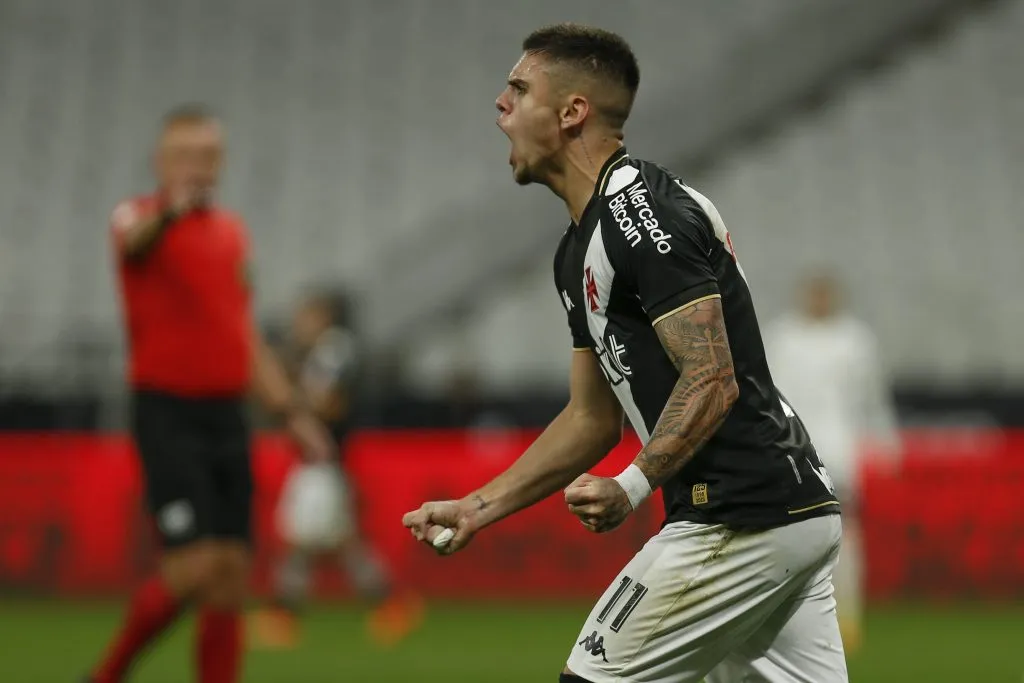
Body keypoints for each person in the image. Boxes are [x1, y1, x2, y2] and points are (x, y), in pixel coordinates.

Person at [403, 24, 848, 683]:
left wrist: (631, 484)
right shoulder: (577, 248)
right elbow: (591, 418)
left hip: (738, 517)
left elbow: (713, 376)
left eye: (520, 89)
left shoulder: (644, 217)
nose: (502, 104)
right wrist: (477, 507)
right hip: (784, 512)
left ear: (572, 111)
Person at [88, 104, 332, 683]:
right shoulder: (137, 217)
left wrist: (291, 413)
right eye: (184, 155)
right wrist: (171, 208)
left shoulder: (229, 233)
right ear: (161, 161)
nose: (197, 166)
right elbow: (136, 242)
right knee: (195, 568)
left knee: (230, 575)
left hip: (227, 415)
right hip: (167, 412)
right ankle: (104, 675)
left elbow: (240, 333)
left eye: (207, 155)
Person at [251, 290, 422, 649]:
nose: (300, 323)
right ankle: (392, 604)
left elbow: (329, 403)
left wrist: (290, 400)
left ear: (324, 315)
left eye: (306, 314)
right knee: (340, 544)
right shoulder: (323, 353)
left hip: (323, 460)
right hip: (317, 461)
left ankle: (284, 616)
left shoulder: (333, 349)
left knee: (302, 541)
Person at [765, 271, 901, 652]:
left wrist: (885, 442)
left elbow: (872, 399)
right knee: (786, 533)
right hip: (790, 452)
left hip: (838, 452)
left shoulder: (855, 339)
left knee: (844, 537)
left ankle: (846, 618)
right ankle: (784, 617)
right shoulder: (782, 336)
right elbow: (767, 396)